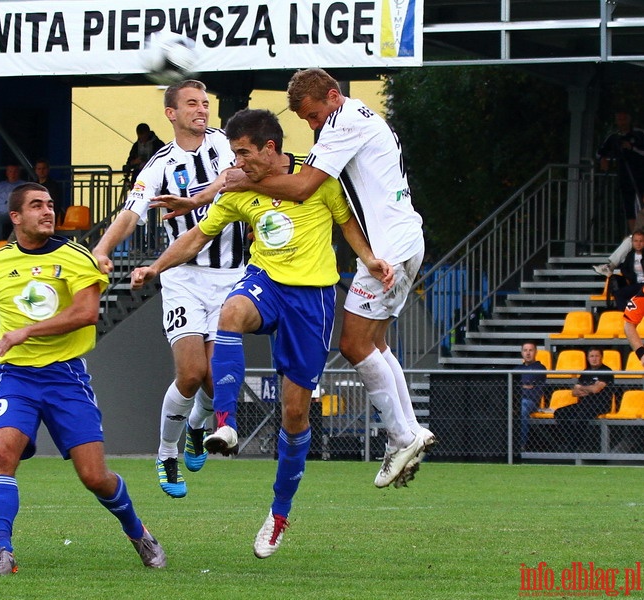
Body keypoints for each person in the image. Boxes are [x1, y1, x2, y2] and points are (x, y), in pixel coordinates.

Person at [131, 108, 393, 559]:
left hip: (312, 301)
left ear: (270, 149)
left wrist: (368, 261)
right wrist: (155, 267)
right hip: (265, 282)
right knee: (231, 313)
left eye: (244, 153)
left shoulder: (319, 181)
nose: (237, 162)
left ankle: (278, 514)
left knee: (295, 416)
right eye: (234, 153)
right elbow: (196, 237)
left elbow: (347, 223)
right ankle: (226, 425)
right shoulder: (237, 190)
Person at [0, 183, 165, 575]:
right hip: (14, 377)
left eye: (50, 205)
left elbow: (86, 313)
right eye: (36, 206)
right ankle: (3, 552)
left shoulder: (77, 257)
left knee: (95, 477)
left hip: (66, 377)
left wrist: (25, 332)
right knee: (1, 454)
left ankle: (138, 532)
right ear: (15, 217)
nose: (47, 211)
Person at [219, 68, 436, 488]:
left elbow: (302, 188)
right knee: (375, 343)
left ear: (332, 97)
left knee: (354, 345)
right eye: (307, 121)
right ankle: (412, 428)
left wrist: (244, 180)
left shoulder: (342, 123)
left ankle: (400, 437)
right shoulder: (357, 115)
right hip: (400, 239)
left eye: (313, 116)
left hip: (389, 243)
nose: (313, 126)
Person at [93, 79, 248, 499]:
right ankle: (165, 452)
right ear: (171, 113)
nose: (202, 110)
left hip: (232, 275)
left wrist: (201, 196)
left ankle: (197, 424)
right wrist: (102, 248)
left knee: (217, 383)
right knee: (192, 372)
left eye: (206, 103)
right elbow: (131, 212)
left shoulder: (225, 144)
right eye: (193, 104)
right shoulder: (159, 164)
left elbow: (241, 175)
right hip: (183, 277)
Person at [553, 348, 614, 452]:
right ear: (587, 358)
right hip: (584, 404)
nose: (594, 359)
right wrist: (589, 388)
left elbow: (596, 389)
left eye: (596, 356)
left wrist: (584, 388)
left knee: (580, 416)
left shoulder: (606, 371)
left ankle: (579, 446)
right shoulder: (585, 372)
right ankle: (572, 443)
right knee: (559, 413)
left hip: (600, 405)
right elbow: (574, 392)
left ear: (601, 357)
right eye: (591, 356)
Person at [596, 109, 644, 233]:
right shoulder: (613, 137)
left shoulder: (639, 134)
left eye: (624, 119)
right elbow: (599, 153)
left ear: (629, 119)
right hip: (625, 177)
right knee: (629, 208)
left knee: (641, 205)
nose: (621, 122)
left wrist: (632, 147)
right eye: (619, 119)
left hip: (641, 176)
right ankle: (635, 237)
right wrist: (603, 159)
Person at [514, 341, 547, 451]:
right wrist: (524, 386)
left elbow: (530, 390)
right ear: (521, 353)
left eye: (530, 350)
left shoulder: (540, 368)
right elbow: (513, 387)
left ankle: (520, 445)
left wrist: (519, 386)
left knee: (521, 408)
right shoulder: (516, 369)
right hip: (514, 400)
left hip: (530, 401)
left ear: (536, 352)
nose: (528, 353)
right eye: (525, 350)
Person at [606, 229, 644, 309]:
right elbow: (624, 269)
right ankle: (625, 315)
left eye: (641, 241)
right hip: (636, 285)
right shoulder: (630, 255)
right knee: (619, 294)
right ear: (632, 243)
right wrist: (630, 277)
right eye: (635, 241)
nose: (638, 244)